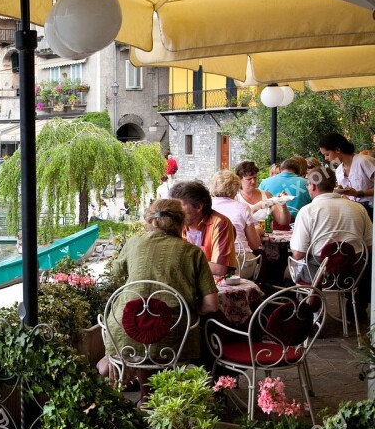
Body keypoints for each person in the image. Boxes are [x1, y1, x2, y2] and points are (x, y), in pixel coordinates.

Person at [97, 199, 219, 402]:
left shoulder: (134, 242)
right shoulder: (192, 252)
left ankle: (139, 390)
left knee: (143, 335)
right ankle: (166, 401)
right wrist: (188, 304)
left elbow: (114, 273)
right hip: (171, 336)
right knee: (173, 333)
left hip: (126, 331)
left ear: (149, 220)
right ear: (182, 223)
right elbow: (212, 304)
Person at [290, 166, 372, 308]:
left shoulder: (308, 211)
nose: (308, 187)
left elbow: (298, 254)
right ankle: (356, 311)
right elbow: (370, 246)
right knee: (362, 259)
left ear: (313, 185)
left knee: (289, 270)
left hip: (320, 278)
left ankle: (308, 314)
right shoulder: (358, 208)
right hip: (352, 276)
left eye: (307, 184)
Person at [170, 180, 237, 276]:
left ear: (198, 207)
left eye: (179, 206)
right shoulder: (176, 223)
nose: (174, 210)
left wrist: (182, 264)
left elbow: (220, 269)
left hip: (214, 286)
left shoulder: (220, 223)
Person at [209, 171, 262, 279]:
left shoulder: (206, 207)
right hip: (239, 260)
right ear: (236, 187)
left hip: (211, 260)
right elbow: (254, 245)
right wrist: (260, 231)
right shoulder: (242, 207)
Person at [318, 132, 375, 219]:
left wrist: (358, 193)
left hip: (371, 210)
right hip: (354, 211)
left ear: (337, 149)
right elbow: (345, 195)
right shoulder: (338, 170)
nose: (326, 158)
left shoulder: (363, 161)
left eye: (327, 154)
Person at [234, 161, 290, 226]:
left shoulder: (267, 195)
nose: (253, 181)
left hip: (266, 234)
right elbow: (236, 223)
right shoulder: (235, 197)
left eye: (255, 177)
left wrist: (283, 205)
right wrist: (256, 207)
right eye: (249, 179)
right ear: (239, 179)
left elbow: (283, 222)